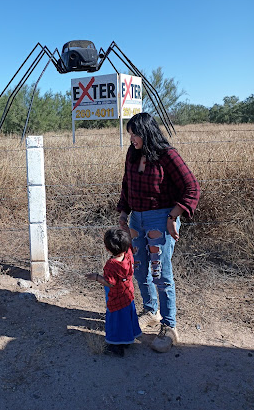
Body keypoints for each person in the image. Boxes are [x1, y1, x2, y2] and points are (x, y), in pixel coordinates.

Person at [117, 112, 200, 352]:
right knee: (140, 266)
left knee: (160, 273)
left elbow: (192, 187)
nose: (131, 138)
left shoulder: (167, 155)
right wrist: (124, 212)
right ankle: (151, 311)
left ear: (147, 133)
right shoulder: (133, 154)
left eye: (135, 134)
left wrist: (173, 216)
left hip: (159, 218)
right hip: (137, 219)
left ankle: (170, 327)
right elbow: (126, 185)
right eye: (130, 134)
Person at [86, 228, 142, 356]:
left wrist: (96, 277)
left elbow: (110, 283)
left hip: (116, 298)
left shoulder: (111, 265)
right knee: (127, 317)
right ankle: (127, 339)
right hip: (128, 294)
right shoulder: (128, 254)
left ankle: (116, 346)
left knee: (115, 321)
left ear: (107, 248)